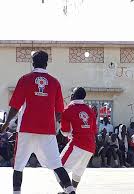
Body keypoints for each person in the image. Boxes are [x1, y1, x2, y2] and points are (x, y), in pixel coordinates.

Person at [0, 51, 75, 194]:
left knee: (19, 165)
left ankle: (17, 192)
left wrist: (6, 123)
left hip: (26, 129)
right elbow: (59, 111)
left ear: (32, 63)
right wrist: (56, 124)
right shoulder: (55, 82)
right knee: (56, 164)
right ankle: (70, 190)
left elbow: (15, 106)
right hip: (47, 130)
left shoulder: (25, 79)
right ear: (46, 63)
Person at [57, 87, 97, 193]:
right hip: (91, 146)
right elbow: (93, 130)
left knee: (58, 168)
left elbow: (65, 131)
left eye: (72, 93)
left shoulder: (68, 109)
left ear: (73, 95)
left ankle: (69, 192)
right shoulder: (90, 110)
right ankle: (72, 190)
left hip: (77, 143)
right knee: (78, 172)